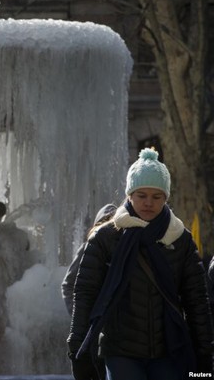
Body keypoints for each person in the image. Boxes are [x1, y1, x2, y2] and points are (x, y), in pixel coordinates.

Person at [67, 148, 213, 380]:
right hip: (120, 351)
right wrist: (78, 346)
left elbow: (196, 299)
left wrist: (205, 354)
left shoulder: (180, 238)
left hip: (170, 350)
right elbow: (85, 291)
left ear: (165, 198)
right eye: (141, 195)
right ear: (130, 195)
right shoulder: (107, 237)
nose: (148, 203)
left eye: (156, 197)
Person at [62, 203, 117, 316]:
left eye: (112, 223)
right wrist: (79, 315)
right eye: (104, 223)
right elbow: (68, 285)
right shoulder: (87, 249)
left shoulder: (124, 249)